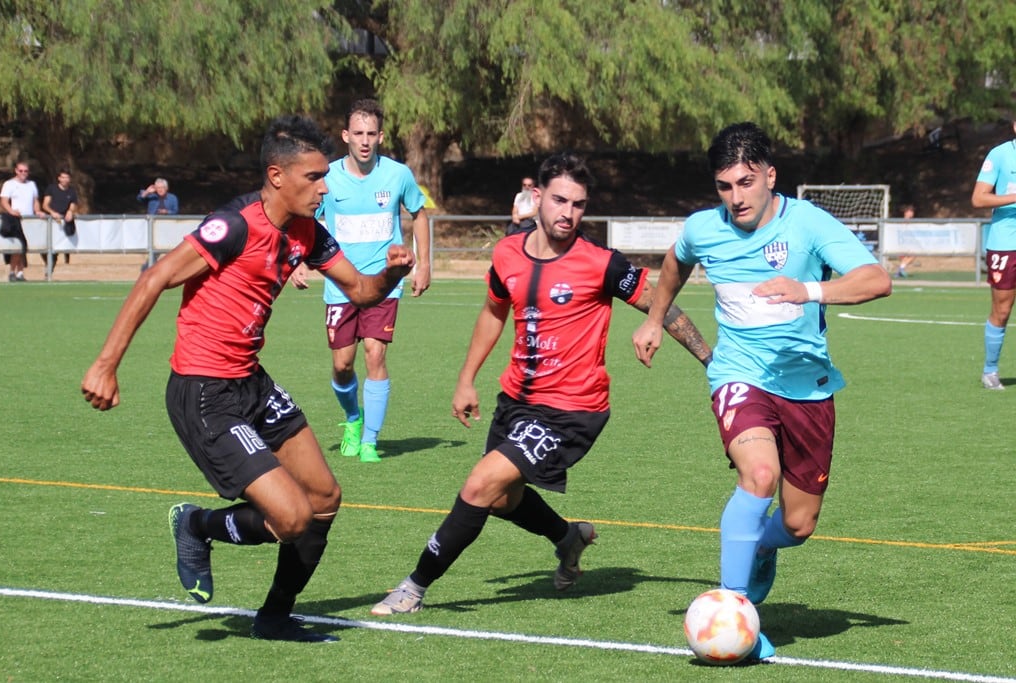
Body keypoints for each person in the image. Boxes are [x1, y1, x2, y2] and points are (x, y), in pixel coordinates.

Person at [81, 115, 415, 643]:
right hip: (204, 391)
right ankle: (196, 525)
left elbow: (363, 291)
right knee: (293, 517)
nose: (324, 187)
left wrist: (394, 271)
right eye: (313, 178)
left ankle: (274, 616)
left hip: (251, 383)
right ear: (277, 175)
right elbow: (156, 277)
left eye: (325, 176)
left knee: (325, 499)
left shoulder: (307, 231)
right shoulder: (234, 225)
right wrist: (105, 365)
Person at [370, 151, 712, 617]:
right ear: (537, 197)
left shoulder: (601, 263)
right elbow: (494, 312)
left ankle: (413, 586)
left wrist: (711, 362)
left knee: (479, 487)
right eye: (559, 200)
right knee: (502, 498)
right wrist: (465, 379)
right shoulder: (507, 252)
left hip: (571, 410)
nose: (568, 213)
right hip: (515, 400)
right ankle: (568, 538)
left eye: (578, 204)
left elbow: (662, 304)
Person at [632, 122, 891, 661]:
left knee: (798, 524)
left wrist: (809, 289)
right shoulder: (704, 228)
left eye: (746, 182)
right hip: (738, 373)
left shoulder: (809, 224)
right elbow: (675, 263)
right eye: (725, 186)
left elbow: (876, 279)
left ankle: (761, 546)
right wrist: (655, 319)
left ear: (770, 176)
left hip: (808, 387)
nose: (736, 197)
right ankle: (735, 609)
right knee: (760, 475)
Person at [312, 98, 431, 464]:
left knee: (375, 354)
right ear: (346, 135)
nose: (365, 141)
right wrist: (299, 262)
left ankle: (369, 441)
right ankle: (352, 418)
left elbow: (420, 214)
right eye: (358, 133)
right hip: (340, 284)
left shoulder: (397, 175)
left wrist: (425, 263)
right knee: (342, 364)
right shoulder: (326, 178)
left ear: (381, 136)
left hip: (384, 283)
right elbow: (305, 220)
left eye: (372, 134)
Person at [971, 117, 1016, 391]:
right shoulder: (1000, 155)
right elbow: (978, 199)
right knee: (1002, 309)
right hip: (1005, 244)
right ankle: (990, 371)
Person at [0, 161, 45, 281]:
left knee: (24, 248)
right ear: (16, 171)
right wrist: (11, 211)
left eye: (25, 171)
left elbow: (35, 201)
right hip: (15, 220)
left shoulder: (31, 184)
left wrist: (38, 211)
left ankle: (20, 272)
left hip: (29, 221)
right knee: (17, 247)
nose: (23, 173)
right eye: (21, 171)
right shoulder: (9, 184)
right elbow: (4, 201)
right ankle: (12, 272)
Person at [42, 166, 79, 268]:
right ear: (59, 178)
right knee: (45, 247)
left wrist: (70, 211)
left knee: (63, 245)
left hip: (64, 223)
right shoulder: (51, 188)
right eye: (63, 177)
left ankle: (60, 260)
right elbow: (45, 205)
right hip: (52, 222)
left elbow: (73, 205)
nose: (65, 180)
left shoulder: (72, 191)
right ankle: (49, 265)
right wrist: (52, 213)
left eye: (67, 177)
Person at [894, 204, 916, 278]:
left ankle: (899, 271)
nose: (912, 213)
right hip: (903, 243)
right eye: (910, 211)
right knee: (910, 256)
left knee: (910, 257)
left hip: (908, 242)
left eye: (912, 211)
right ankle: (900, 270)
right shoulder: (904, 221)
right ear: (906, 212)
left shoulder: (911, 222)